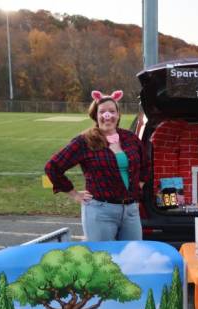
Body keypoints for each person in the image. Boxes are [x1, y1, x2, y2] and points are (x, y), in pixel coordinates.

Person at [45, 90, 150, 241]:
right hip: (100, 212)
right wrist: (74, 194)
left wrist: (138, 185)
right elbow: (53, 167)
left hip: (131, 211)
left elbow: (145, 164)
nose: (108, 115)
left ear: (118, 115)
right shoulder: (85, 141)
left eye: (112, 111)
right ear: (96, 115)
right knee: (103, 259)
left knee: (131, 256)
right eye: (103, 111)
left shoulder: (130, 138)